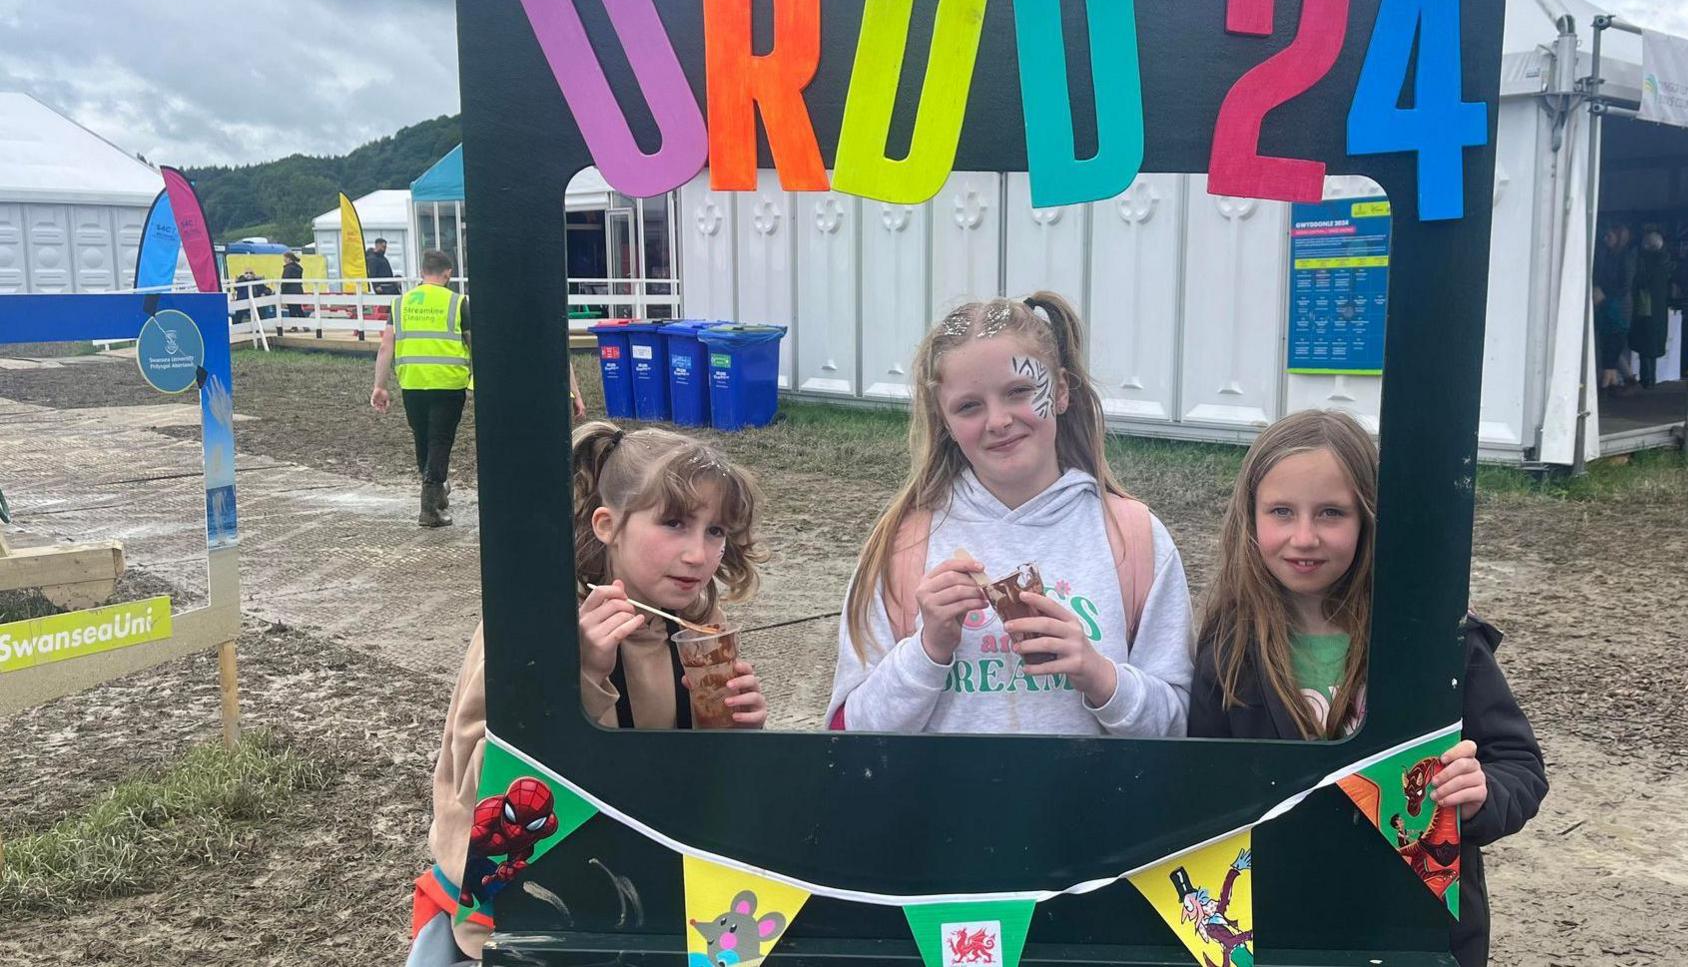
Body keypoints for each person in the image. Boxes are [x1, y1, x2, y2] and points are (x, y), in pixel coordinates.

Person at [1186, 410, 1546, 967]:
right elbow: (1202, 795)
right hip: (1278, 931)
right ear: (1250, 518)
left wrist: (1481, 795)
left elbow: (1519, 764)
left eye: (1331, 513)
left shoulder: (1439, 642)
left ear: (1369, 517)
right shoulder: (1228, 651)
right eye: (1281, 512)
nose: (1303, 536)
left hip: (1420, 931)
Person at [408, 423, 770, 964]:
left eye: (715, 530)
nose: (699, 553)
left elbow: (693, 781)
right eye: (673, 523)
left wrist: (734, 731)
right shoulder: (533, 625)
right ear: (608, 525)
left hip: (654, 883)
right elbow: (481, 787)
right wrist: (580, 678)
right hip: (525, 898)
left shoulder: (698, 627)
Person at [825, 292, 1194, 736]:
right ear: (944, 420)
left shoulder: (1133, 538)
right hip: (939, 807)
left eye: (1019, 392)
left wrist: (1099, 675)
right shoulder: (903, 544)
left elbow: (1178, 726)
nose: (998, 420)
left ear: (1059, 391)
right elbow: (849, 733)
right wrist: (927, 649)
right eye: (968, 406)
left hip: (1093, 807)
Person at [372, 249, 471, 527]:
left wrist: (380, 386)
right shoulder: (458, 302)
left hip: (412, 383)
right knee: (440, 441)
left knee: (423, 439)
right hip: (448, 383)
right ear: (448, 272)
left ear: (423, 271)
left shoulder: (400, 303)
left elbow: (385, 346)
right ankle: (429, 508)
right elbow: (475, 344)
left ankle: (437, 493)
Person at [1628, 229, 1675, 390]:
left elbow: (1639, 280)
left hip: (1644, 305)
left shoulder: (1643, 261)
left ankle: (1647, 378)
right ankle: (1650, 378)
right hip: (1658, 307)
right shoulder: (1665, 260)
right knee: (1652, 345)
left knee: (1645, 345)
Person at [1591, 221, 1635, 392]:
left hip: (1617, 305)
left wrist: (1604, 292)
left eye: (1610, 235)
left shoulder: (1626, 257)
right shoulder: (1605, 255)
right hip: (1606, 304)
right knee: (1608, 343)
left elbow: (1625, 284)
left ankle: (1611, 381)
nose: (1606, 238)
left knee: (1613, 342)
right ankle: (1616, 381)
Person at [279, 250, 307, 320]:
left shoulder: (288, 268)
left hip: (289, 291)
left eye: (285, 258)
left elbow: (285, 280)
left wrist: (282, 291)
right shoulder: (299, 268)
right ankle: (305, 324)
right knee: (298, 308)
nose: (284, 259)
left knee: (292, 309)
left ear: (289, 258)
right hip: (298, 290)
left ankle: (294, 326)